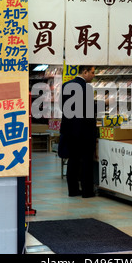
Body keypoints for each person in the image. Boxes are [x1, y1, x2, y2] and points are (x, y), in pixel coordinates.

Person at [59, 66, 97, 198]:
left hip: (69, 130)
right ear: (85, 72)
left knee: (73, 160)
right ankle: (87, 191)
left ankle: (73, 190)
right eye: (92, 72)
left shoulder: (65, 85)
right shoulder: (86, 88)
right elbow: (89, 110)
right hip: (84, 131)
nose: (93, 75)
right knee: (86, 161)